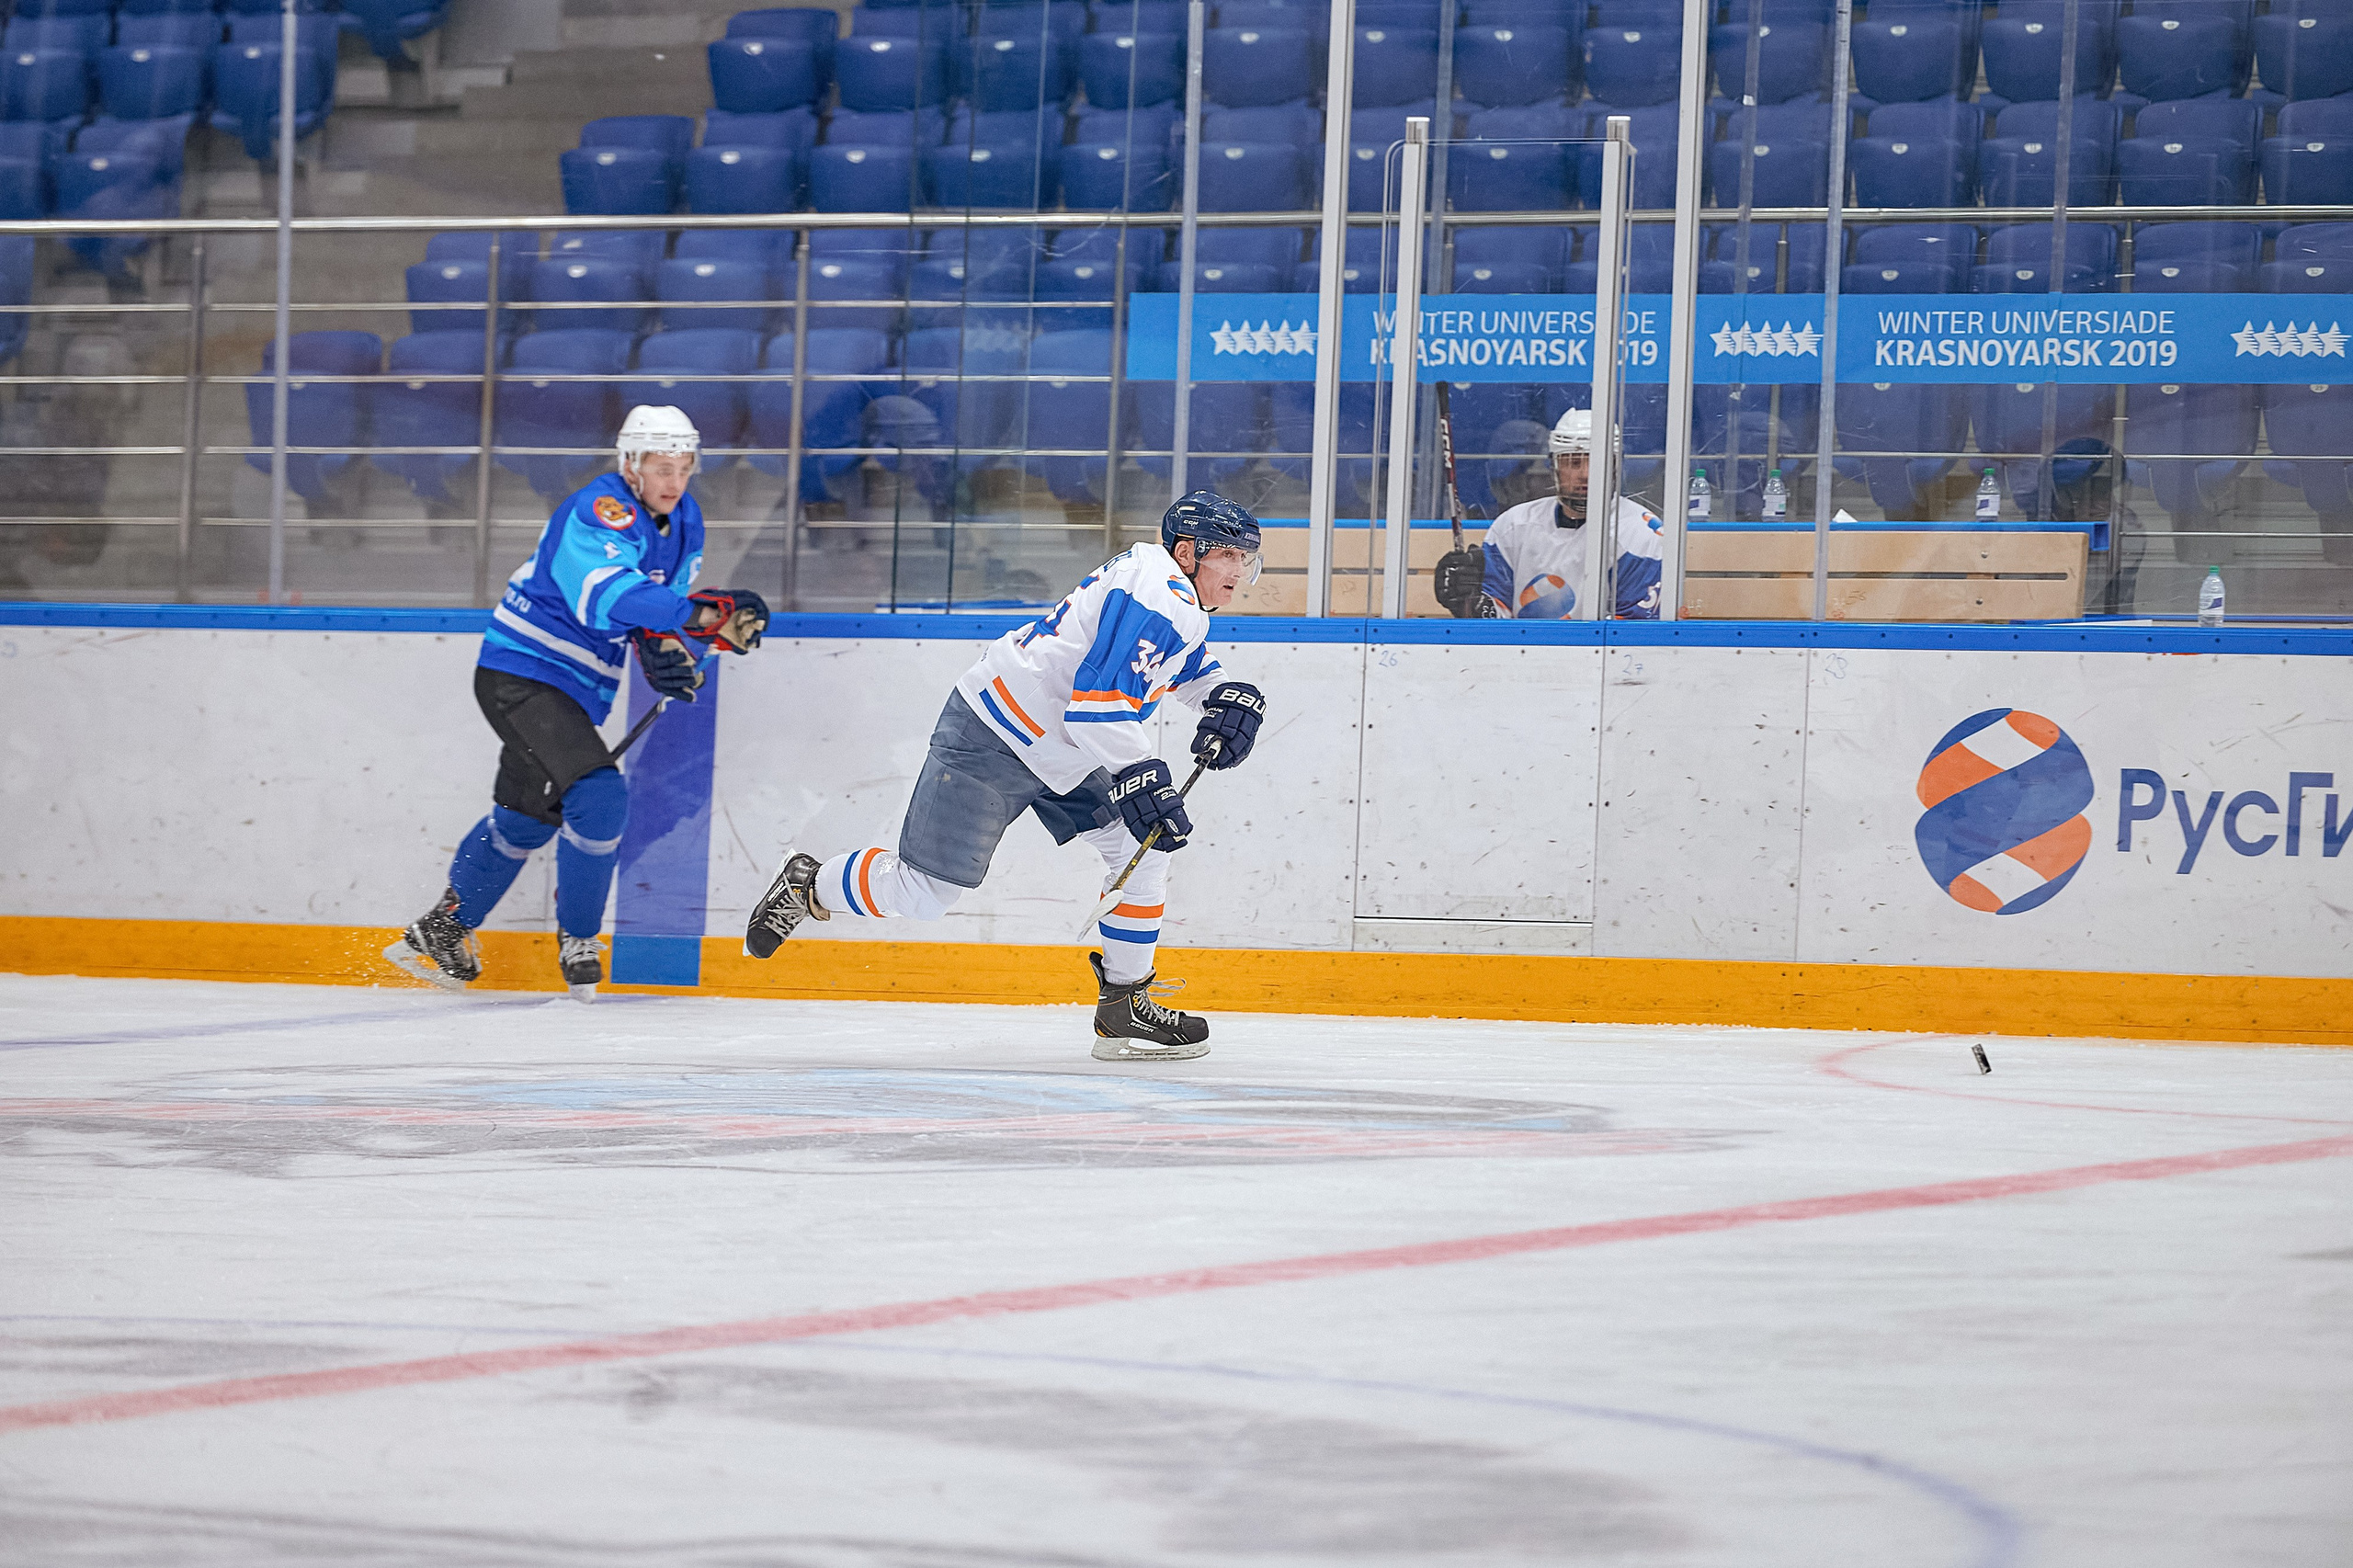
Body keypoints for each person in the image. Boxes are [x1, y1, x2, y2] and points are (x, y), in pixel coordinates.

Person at [742, 490, 1270, 1062]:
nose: (1240, 573)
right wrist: (1141, 773)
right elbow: (1096, 705)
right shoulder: (1155, 593)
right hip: (995, 733)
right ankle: (808, 883)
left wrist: (1222, 695)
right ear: (1189, 551)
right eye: (1231, 557)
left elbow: (1177, 664)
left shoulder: (1174, 593)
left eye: (1247, 560)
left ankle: (1123, 1004)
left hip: (1067, 750)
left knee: (1140, 848)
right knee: (924, 892)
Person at [386, 406, 769, 1001]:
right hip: (523, 673)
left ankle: (439, 931)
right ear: (630, 464)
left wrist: (674, 650)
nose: (673, 481)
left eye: (683, 467)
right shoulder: (599, 509)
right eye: (661, 467)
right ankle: (581, 939)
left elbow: (651, 609)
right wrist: (699, 616)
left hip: (576, 688)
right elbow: (607, 593)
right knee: (599, 797)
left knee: (523, 821)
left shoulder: (685, 518)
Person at [1433, 407, 1665, 620]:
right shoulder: (1513, 527)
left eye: (1597, 463)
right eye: (1573, 463)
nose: (1585, 475)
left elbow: (1628, 640)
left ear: (1616, 466)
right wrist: (1470, 603)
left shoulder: (1642, 536)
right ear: (1553, 466)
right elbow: (1494, 623)